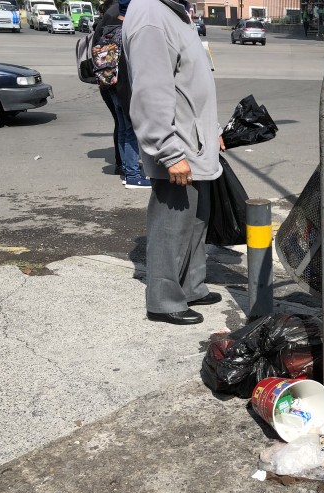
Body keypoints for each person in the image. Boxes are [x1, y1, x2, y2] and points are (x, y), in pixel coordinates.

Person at [122, 0, 226, 325]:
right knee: (171, 226)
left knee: (196, 222)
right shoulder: (152, 15)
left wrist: (214, 131)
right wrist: (168, 151)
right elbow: (151, 92)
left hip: (194, 143)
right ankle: (164, 301)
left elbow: (191, 83)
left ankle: (191, 286)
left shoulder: (173, 12)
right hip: (178, 148)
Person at [94, 0, 151, 189]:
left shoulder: (109, 26)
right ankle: (133, 175)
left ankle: (127, 170)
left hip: (109, 84)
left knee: (123, 129)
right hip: (124, 86)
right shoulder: (127, 30)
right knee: (131, 131)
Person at [94, 0, 122, 176]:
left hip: (106, 78)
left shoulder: (109, 15)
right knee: (126, 124)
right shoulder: (121, 12)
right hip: (118, 79)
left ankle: (124, 163)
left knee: (121, 123)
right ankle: (127, 166)